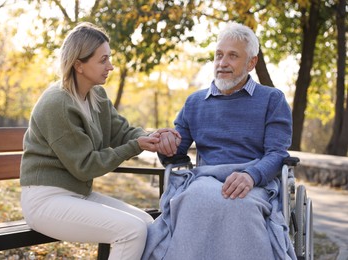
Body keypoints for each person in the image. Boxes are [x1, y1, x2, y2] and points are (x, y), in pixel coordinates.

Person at [20, 22, 180, 260]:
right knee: (132, 231)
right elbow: (86, 167)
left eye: (109, 59)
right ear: (79, 65)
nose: (111, 66)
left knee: (148, 223)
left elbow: (122, 131)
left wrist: (150, 137)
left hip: (77, 194)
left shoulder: (96, 96)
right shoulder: (58, 103)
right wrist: (135, 146)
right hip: (45, 200)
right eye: (103, 60)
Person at [142, 22, 295, 260]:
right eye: (219, 55)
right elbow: (176, 152)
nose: (222, 63)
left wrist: (251, 175)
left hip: (253, 182)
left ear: (251, 63)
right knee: (195, 198)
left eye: (233, 56)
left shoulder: (272, 100)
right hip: (206, 178)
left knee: (241, 206)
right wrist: (166, 144)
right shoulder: (195, 102)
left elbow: (277, 154)